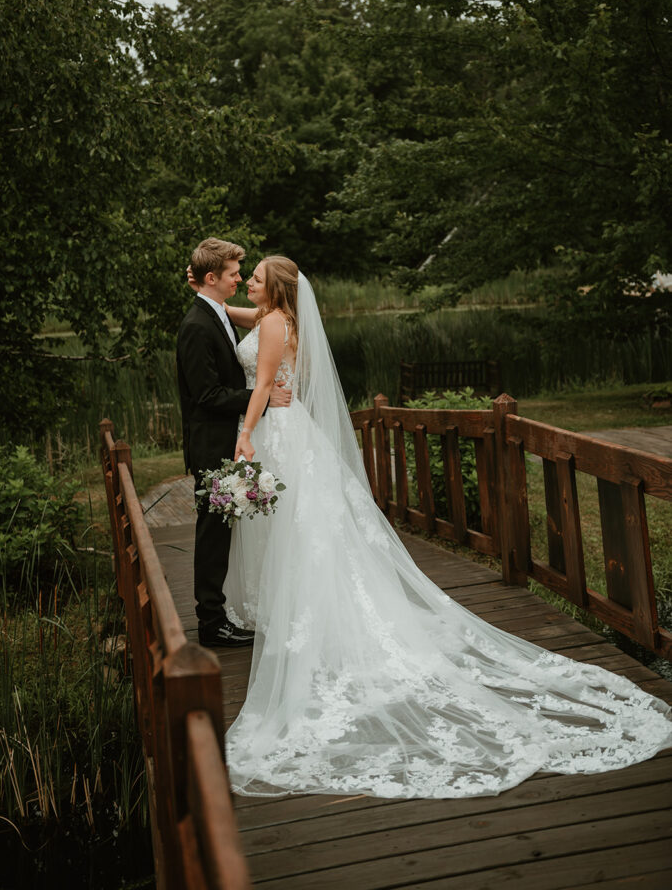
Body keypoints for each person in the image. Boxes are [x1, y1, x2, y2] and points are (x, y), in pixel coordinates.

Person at [206, 256, 672, 799]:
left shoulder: (270, 323)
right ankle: (309, 617)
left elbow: (261, 386)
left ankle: (309, 625)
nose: (249, 282)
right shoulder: (282, 318)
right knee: (313, 534)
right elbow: (246, 316)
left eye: (256, 277)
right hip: (296, 435)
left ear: (276, 288)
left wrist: (245, 439)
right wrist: (216, 301)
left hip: (276, 432)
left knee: (303, 535)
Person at [176, 238, 291, 649]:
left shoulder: (215, 312)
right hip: (212, 444)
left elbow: (241, 320)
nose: (240, 278)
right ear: (213, 278)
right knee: (213, 533)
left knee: (225, 531)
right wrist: (260, 397)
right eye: (234, 273)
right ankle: (211, 622)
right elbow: (206, 396)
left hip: (232, 437)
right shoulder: (195, 326)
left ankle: (222, 614)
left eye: (245, 273)